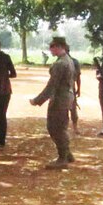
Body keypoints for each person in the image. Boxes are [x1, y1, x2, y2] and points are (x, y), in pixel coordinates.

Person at [30, 36, 76, 169]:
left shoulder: (60, 64)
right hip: (67, 96)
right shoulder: (69, 60)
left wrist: (37, 100)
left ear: (58, 47)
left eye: (52, 47)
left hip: (59, 98)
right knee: (61, 126)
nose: (50, 50)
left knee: (55, 127)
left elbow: (51, 86)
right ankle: (67, 154)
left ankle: (62, 158)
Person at [66, 44, 81, 134]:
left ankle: (75, 127)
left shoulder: (75, 62)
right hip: (63, 88)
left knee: (73, 108)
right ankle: (64, 127)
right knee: (63, 109)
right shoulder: (60, 61)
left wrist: (79, 89)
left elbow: (78, 77)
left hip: (71, 87)